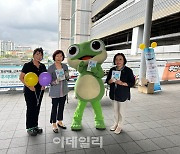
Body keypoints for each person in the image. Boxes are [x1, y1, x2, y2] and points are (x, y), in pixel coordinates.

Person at [19, 47, 47, 136]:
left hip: (40, 90)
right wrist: (29, 86)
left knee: (37, 107)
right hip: (29, 90)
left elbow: (45, 78)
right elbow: (21, 78)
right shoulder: (27, 65)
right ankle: (29, 127)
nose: (39, 56)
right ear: (34, 55)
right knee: (31, 108)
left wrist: (44, 85)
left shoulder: (43, 66)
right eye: (37, 54)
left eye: (41, 55)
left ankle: (35, 126)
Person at [105, 53, 135, 134]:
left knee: (121, 111)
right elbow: (107, 81)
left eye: (120, 59)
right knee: (115, 111)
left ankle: (120, 126)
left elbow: (132, 83)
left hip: (123, 94)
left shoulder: (128, 70)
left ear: (124, 60)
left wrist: (122, 83)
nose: (118, 61)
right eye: (116, 59)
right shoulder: (112, 70)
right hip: (114, 94)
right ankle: (115, 123)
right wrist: (110, 81)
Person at [48, 50, 69, 133]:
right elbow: (48, 81)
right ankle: (54, 124)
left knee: (61, 107)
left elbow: (67, 77)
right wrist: (55, 81)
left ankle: (60, 121)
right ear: (54, 57)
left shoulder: (65, 66)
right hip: (55, 92)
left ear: (63, 57)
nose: (59, 58)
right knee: (54, 107)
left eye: (61, 56)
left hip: (63, 91)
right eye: (57, 56)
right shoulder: (51, 68)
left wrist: (67, 76)